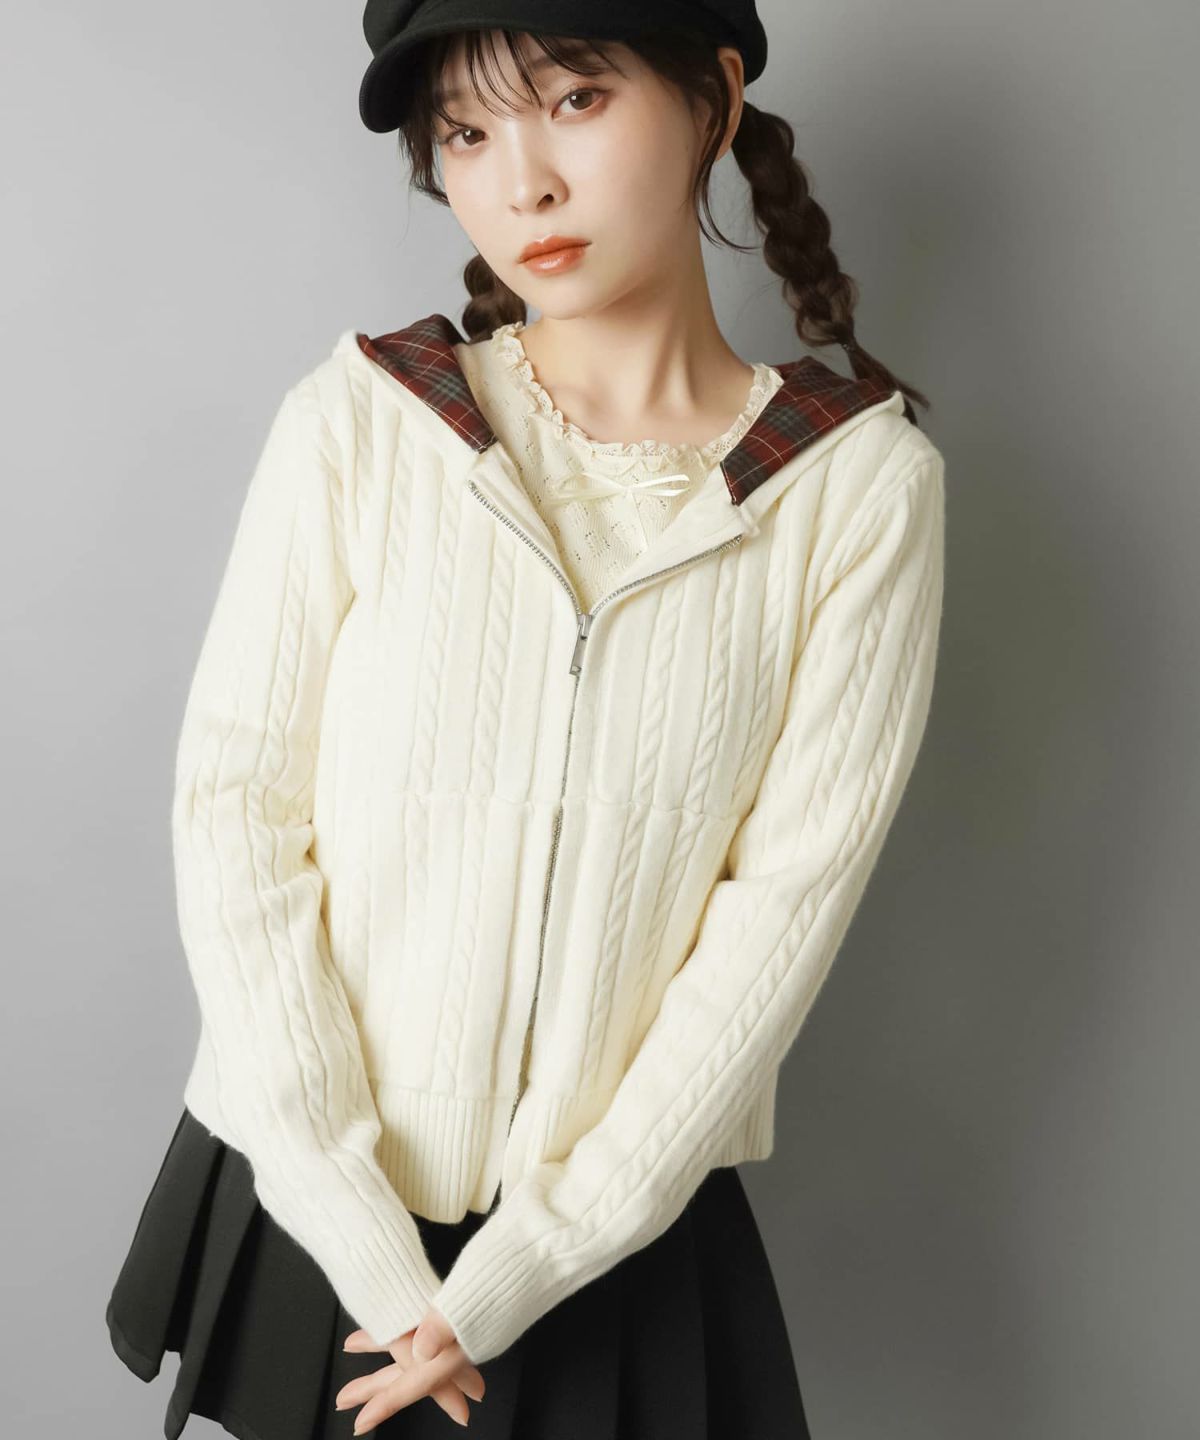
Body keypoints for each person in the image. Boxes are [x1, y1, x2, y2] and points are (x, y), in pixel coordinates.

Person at [105, 2, 947, 1436]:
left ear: (714, 98)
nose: (523, 184)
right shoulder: (367, 421)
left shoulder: (857, 491)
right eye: (467, 132)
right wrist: (360, 1237)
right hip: (313, 1213)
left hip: (610, 1253)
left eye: (575, 101)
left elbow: (781, 918)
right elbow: (234, 814)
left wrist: (531, 1261)